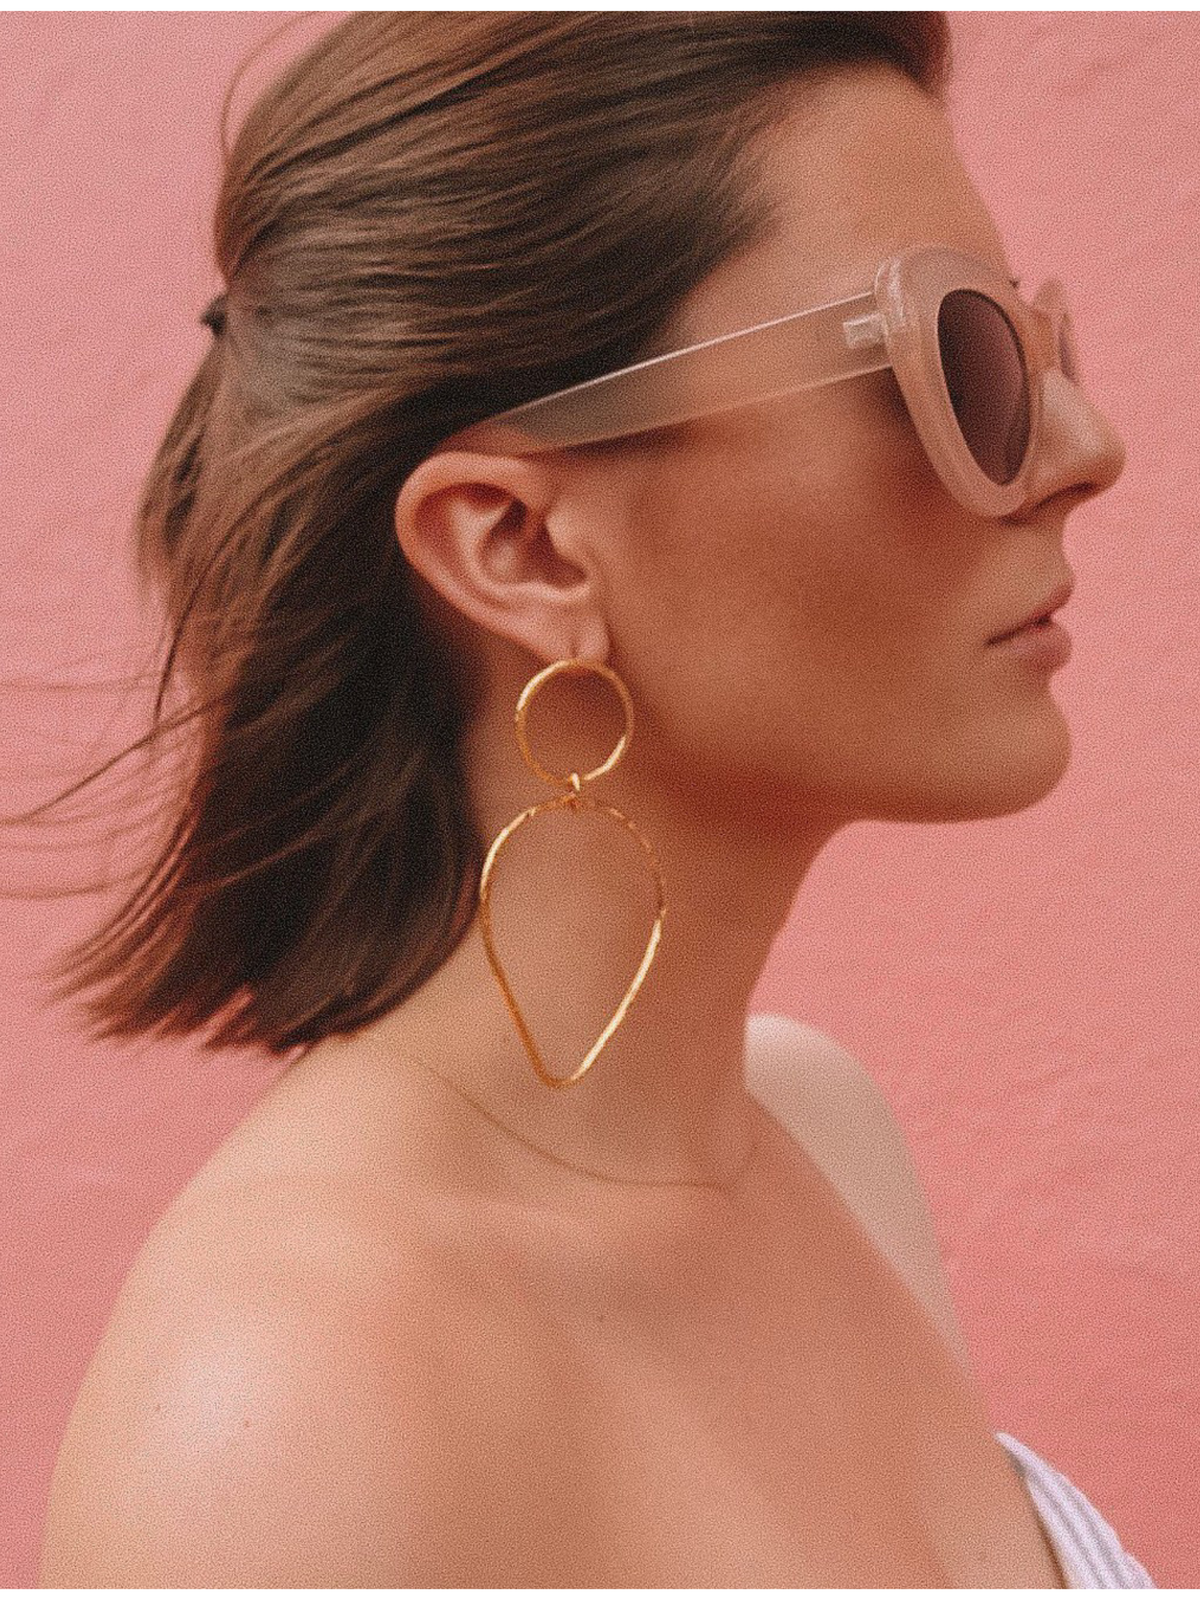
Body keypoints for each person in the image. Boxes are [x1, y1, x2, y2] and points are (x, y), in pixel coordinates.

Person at [35, 13, 1152, 1588]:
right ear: (521, 547)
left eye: (1039, 354)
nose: (1085, 450)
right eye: (951, 356)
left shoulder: (817, 1130)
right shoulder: (292, 1408)